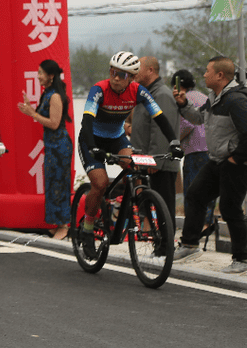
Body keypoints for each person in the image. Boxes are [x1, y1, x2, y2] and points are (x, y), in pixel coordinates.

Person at [76, 51, 181, 259]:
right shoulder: (99, 89)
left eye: (122, 75)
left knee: (134, 167)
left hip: (116, 138)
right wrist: (93, 147)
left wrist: (174, 142)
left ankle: (124, 208)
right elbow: (86, 121)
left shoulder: (139, 92)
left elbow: (159, 117)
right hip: (92, 138)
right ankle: (87, 229)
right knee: (100, 182)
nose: (116, 78)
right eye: (113, 72)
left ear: (132, 78)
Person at [172, 56, 247, 274]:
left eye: (208, 71)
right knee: (195, 194)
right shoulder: (214, 97)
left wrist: (235, 159)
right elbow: (198, 119)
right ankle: (190, 245)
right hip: (219, 160)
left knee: (230, 208)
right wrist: (183, 104)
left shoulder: (236, 100)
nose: (204, 75)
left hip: (241, 162)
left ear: (220, 75)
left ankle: (242, 261)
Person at [17, 59, 72, 239]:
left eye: (41, 73)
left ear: (50, 76)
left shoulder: (55, 95)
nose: (38, 76)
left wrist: (32, 113)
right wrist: (30, 109)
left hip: (60, 146)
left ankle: (64, 225)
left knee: (60, 185)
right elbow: (44, 117)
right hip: (52, 145)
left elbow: (54, 124)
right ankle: (57, 224)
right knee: (52, 184)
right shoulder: (48, 93)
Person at [129, 56, 181, 215]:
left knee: (164, 208)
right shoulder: (145, 94)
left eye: (138, 68)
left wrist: (154, 161)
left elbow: (161, 131)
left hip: (160, 164)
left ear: (151, 70)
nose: (134, 72)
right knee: (149, 206)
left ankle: (167, 240)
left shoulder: (162, 95)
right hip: (145, 161)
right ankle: (153, 237)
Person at [171, 69, 209, 201]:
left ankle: (195, 222)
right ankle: (207, 221)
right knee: (207, 192)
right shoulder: (203, 97)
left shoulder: (183, 100)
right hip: (210, 149)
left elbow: (187, 125)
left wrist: (172, 141)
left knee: (192, 193)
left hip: (195, 151)